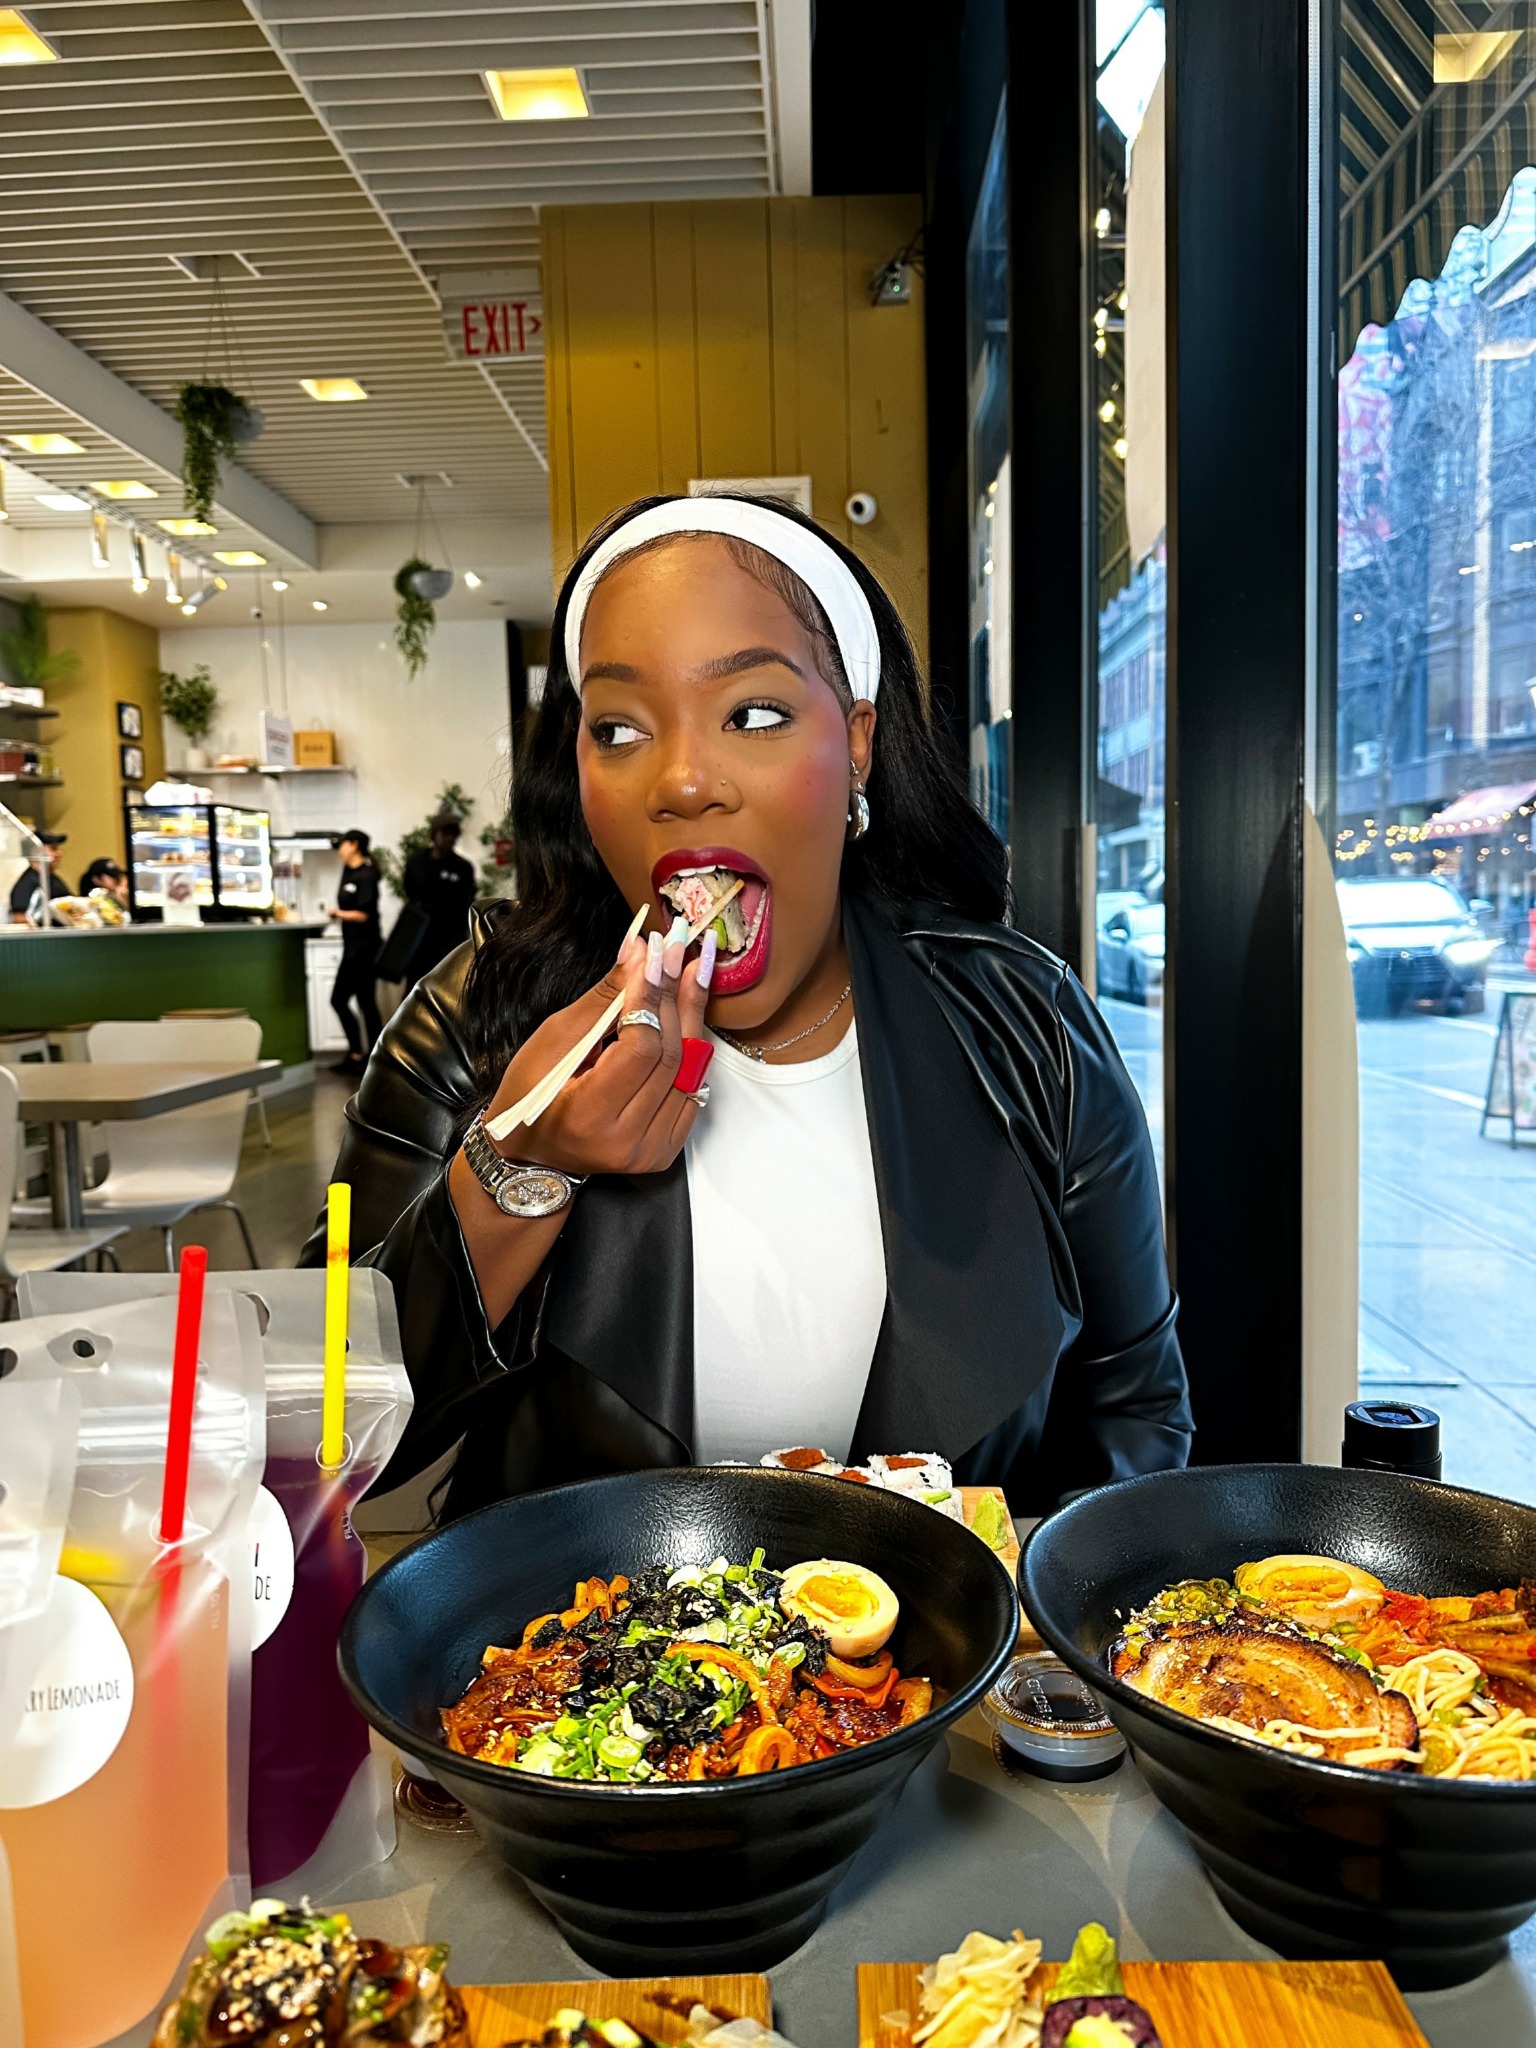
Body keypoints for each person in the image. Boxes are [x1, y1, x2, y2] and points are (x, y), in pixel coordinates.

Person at [305, 494, 1189, 1521]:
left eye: (754, 714)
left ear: (857, 744)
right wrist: (522, 1163)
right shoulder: (480, 1012)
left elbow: (1135, 1411)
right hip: (571, 1623)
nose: (683, 782)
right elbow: (326, 1429)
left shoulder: (1028, 1024)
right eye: (619, 728)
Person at [327, 829, 382, 1077]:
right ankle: (363, 1056)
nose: (339, 850)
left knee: (344, 1000)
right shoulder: (348, 871)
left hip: (365, 949)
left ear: (355, 845)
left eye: (342, 844)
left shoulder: (366, 875)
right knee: (364, 1002)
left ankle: (365, 1056)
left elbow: (364, 914)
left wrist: (337, 914)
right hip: (352, 947)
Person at [401, 813, 478, 975]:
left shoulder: (462, 867)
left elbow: (468, 900)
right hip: (420, 936)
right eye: (445, 834)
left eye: (453, 835)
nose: (450, 839)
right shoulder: (416, 863)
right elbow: (410, 894)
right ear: (434, 834)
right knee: (416, 981)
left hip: (450, 936)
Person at [9, 831, 69, 922]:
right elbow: (19, 918)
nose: (59, 854)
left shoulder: (51, 878)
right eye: (53, 849)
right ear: (35, 851)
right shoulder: (27, 883)